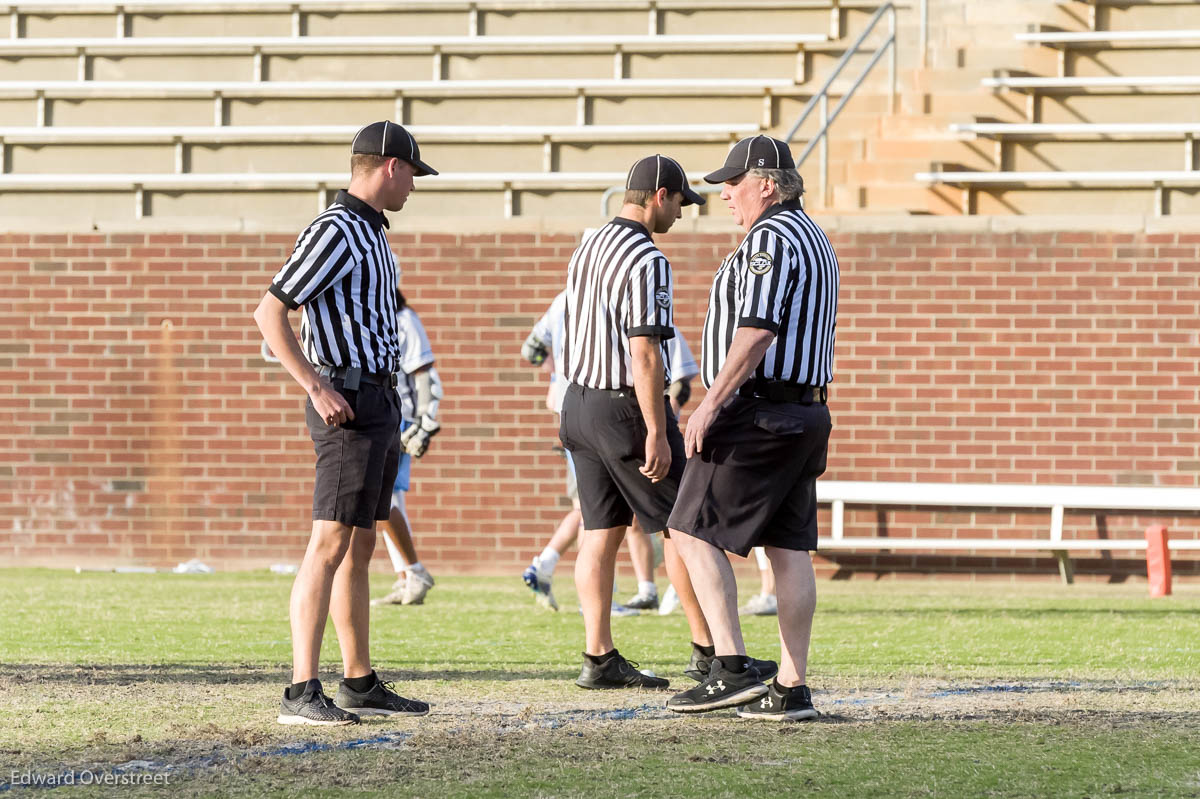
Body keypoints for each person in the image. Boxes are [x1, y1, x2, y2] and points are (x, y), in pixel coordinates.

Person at [560, 154, 770, 691]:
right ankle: (709, 651)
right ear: (659, 196)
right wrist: (657, 428)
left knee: (598, 532)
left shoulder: (589, 243)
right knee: (684, 525)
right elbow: (645, 353)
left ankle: (598, 655)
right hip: (624, 408)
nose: (681, 214)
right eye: (680, 202)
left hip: (578, 402)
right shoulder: (648, 258)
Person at [253, 120, 436, 725]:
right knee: (328, 544)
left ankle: (358, 679)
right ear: (389, 165)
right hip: (348, 400)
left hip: (377, 399)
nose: (414, 185)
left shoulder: (371, 233)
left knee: (360, 543)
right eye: (412, 171)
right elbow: (270, 312)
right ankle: (302, 690)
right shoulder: (336, 229)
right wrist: (315, 384)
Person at [665, 135, 838, 721]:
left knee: (688, 527)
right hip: (807, 410)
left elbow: (757, 330)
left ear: (766, 184)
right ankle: (791, 688)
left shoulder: (768, 239)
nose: (724, 196)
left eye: (732, 185)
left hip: (760, 409)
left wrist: (711, 403)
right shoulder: (814, 236)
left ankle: (731, 668)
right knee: (788, 549)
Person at [520, 290, 699, 614]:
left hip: (573, 409)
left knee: (598, 518)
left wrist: (554, 375)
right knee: (674, 519)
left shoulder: (567, 299)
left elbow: (530, 349)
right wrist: (662, 424)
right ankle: (699, 636)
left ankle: (603, 636)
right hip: (628, 413)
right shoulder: (636, 297)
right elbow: (666, 368)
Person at [372, 291, 442, 607]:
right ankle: (406, 577)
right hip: (380, 413)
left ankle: (414, 570)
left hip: (399, 417)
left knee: (380, 497)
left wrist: (425, 421)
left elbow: (424, 373)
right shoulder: (370, 316)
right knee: (389, 499)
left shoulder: (403, 319)